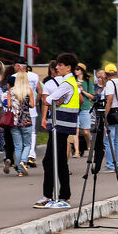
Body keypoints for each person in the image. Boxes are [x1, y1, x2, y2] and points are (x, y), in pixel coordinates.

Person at [37, 52, 80, 209]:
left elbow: (48, 99)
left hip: (60, 125)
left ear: (68, 68)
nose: (57, 67)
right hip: (63, 125)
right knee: (60, 161)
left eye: (61, 65)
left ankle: (49, 196)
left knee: (49, 161)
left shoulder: (67, 83)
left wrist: (53, 99)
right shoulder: (71, 82)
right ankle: (63, 196)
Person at [3, 71, 36, 176]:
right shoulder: (29, 90)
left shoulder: (11, 90)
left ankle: (19, 171)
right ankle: (23, 161)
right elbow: (32, 105)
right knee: (27, 144)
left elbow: (8, 105)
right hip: (26, 120)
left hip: (14, 121)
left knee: (17, 145)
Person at [100, 63, 118, 174]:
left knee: (108, 140)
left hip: (112, 113)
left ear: (106, 74)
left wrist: (104, 114)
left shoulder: (110, 84)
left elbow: (109, 99)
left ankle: (110, 165)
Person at [73, 63, 96, 157]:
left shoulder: (88, 82)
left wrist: (82, 91)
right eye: (75, 69)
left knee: (86, 131)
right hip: (74, 107)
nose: (76, 71)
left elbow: (92, 97)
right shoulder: (72, 80)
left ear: (82, 70)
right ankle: (76, 151)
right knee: (76, 131)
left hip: (85, 107)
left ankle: (89, 146)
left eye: (78, 69)